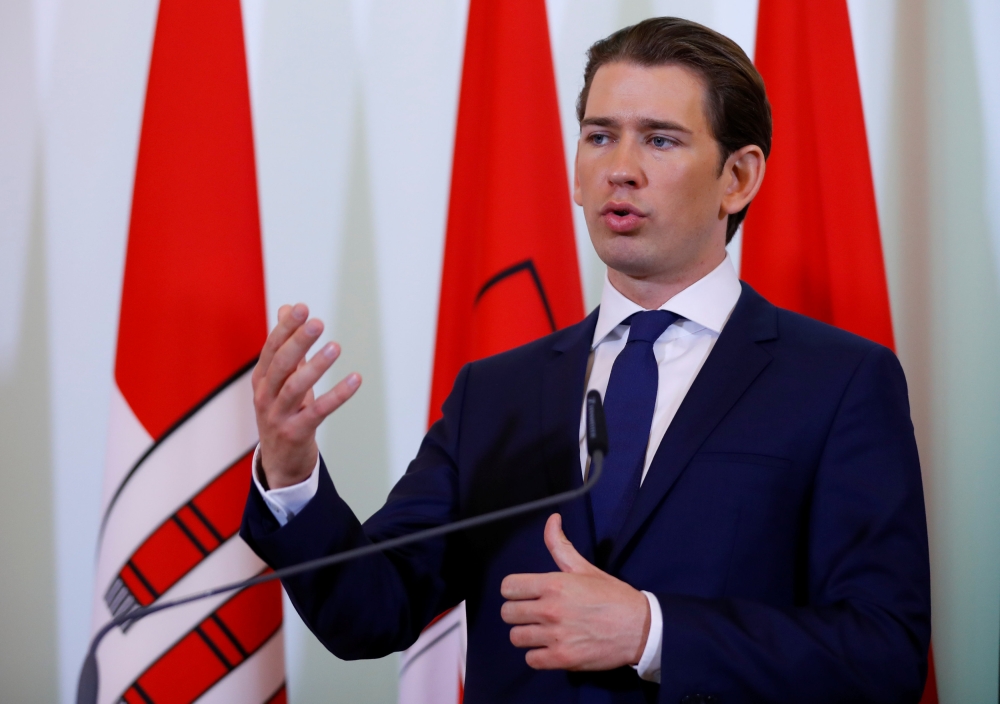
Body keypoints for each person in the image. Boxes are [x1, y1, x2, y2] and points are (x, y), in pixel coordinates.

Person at [241, 17, 930, 703]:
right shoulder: (496, 392)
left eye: (660, 139)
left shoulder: (838, 382)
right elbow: (370, 611)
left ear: (739, 178)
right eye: (600, 136)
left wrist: (654, 634)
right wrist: (293, 477)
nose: (620, 168)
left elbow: (882, 653)